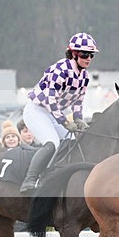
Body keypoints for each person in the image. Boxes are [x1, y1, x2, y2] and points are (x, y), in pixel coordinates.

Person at [20, 32, 97, 193]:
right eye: (85, 54)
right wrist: (65, 121)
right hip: (37, 110)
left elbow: (78, 101)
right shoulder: (59, 70)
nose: (88, 58)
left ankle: (54, 175)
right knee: (52, 142)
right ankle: (30, 180)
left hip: (53, 114)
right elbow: (51, 100)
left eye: (91, 55)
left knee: (70, 142)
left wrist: (78, 119)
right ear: (74, 54)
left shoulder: (85, 76)